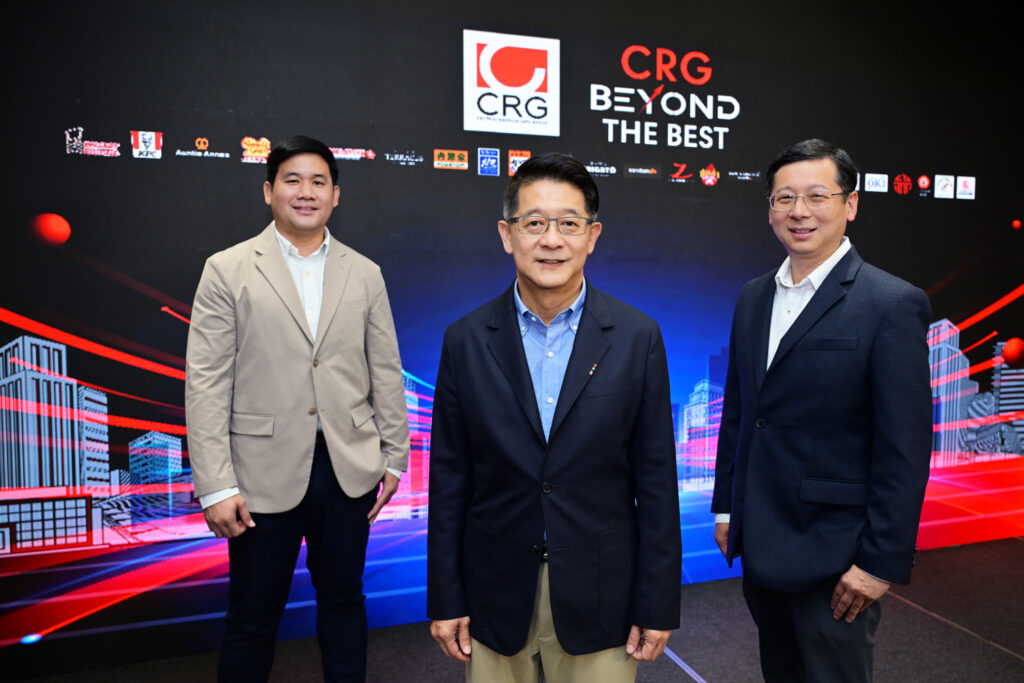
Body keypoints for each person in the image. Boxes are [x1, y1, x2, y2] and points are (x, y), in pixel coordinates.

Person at [427, 153, 681, 683]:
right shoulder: (465, 340)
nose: (551, 240)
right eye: (534, 223)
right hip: (494, 590)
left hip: (602, 594)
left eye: (569, 224)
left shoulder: (637, 338)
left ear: (592, 236)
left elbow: (656, 482)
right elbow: (449, 482)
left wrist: (658, 601)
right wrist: (446, 597)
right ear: (507, 234)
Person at [185, 135, 410, 682]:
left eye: (318, 182)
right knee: (252, 617)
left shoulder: (365, 272)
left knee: (344, 603)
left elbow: (385, 369)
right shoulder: (227, 268)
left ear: (336, 195)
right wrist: (215, 484)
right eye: (292, 180)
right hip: (259, 475)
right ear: (269, 191)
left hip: (347, 469)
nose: (305, 192)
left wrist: (395, 457)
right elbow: (206, 382)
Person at [712, 139, 932, 682]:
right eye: (784, 198)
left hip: (838, 555)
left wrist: (880, 562)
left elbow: (904, 445)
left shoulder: (890, 302)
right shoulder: (753, 296)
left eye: (817, 196)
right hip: (761, 542)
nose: (799, 211)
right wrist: (726, 509)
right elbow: (740, 411)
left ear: (850, 204)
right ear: (770, 210)